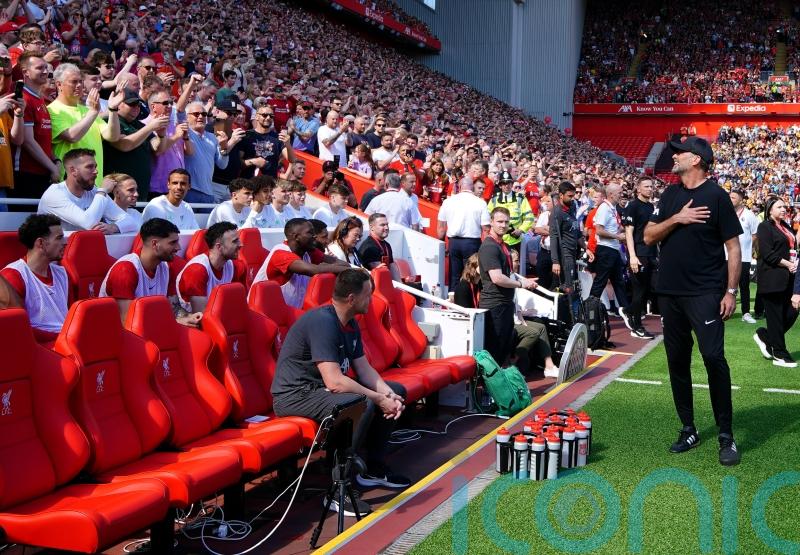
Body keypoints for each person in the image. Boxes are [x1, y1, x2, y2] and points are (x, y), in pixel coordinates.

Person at [271, 268, 410, 517]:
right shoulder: (323, 322)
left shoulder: (349, 322)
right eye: (369, 295)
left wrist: (389, 395)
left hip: (319, 390)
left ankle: (373, 469)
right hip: (295, 395)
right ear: (351, 298)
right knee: (361, 402)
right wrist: (377, 398)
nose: (373, 300)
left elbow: (364, 369)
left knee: (396, 390)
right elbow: (335, 382)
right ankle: (337, 489)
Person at [644, 136, 742, 466]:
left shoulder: (716, 196)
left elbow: (733, 248)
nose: (674, 156)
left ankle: (726, 435)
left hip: (705, 292)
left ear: (697, 160)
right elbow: (647, 235)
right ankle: (688, 428)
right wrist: (677, 219)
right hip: (670, 293)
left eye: (680, 152)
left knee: (714, 358)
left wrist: (730, 291)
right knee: (677, 361)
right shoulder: (671, 194)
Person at [454, 253, 559, 376]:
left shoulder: (483, 285)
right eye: (482, 266)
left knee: (538, 327)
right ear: (474, 267)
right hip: (478, 326)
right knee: (518, 331)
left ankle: (544, 364)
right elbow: (467, 312)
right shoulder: (464, 287)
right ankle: (508, 364)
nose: (486, 269)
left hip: (492, 322)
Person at [100, 217, 202, 328]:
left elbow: (173, 308)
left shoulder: (166, 267)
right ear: (155, 244)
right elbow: (128, 324)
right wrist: (174, 322)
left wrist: (188, 317)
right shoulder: (125, 270)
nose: (178, 247)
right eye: (173, 242)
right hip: (117, 336)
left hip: (150, 329)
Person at [478, 207, 537, 366]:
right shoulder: (490, 246)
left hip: (504, 304)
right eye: (499, 221)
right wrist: (521, 284)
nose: (503, 225)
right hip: (495, 305)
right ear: (491, 222)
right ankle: (490, 388)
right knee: (495, 351)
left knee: (503, 350)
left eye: (506, 222)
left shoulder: (501, 244)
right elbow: (497, 278)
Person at [49, 63, 124, 186]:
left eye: (80, 81)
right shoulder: (53, 110)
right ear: (59, 84)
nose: (79, 85)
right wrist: (94, 112)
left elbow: (112, 136)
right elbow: (72, 136)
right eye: (74, 82)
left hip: (94, 184)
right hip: (70, 185)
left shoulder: (87, 110)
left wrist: (113, 110)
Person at [251, 218, 349, 308]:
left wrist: (348, 269)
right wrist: (351, 270)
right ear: (296, 236)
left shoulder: (308, 250)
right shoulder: (281, 253)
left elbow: (340, 263)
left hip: (288, 312)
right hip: (264, 313)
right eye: (310, 233)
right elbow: (313, 270)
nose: (314, 236)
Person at [1, 214, 67, 344]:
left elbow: (69, 315)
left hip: (65, 342)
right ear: (41, 243)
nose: (65, 242)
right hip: (38, 347)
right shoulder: (13, 276)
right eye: (59, 238)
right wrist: (63, 337)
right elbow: (17, 328)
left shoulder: (61, 273)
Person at [37, 148, 137, 234]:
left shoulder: (94, 191)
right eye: (89, 167)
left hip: (78, 250)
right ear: (73, 170)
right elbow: (89, 224)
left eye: (95, 166)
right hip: (52, 254)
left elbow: (130, 221)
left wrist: (114, 227)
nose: (96, 171)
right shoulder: (55, 194)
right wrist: (102, 191)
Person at [753, 197, 798, 368]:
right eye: (779, 207)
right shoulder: (764, 227)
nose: (783, 209)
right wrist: (788, 264)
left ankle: (765, 335)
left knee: (792, 311)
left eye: (784, 207)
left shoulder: (786, 226)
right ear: (769, 210)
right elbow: (767, 253)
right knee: (775, 317)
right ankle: (779, 354)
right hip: (772, 278)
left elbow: (793, 248)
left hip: (788, 278)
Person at [176, 221, 247, 313]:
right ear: (219, 247)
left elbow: (239, 304)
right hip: (193, 322)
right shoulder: (197, 270)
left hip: (219, 316)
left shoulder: (235, 266)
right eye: (235, 241)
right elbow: (201, 315)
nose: (241, 244)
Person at [589, 182, 633, 329]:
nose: (622, 194)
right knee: (600, 282)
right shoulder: (604, 208)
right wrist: (617, 237)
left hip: (612, 250)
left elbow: (615, 226)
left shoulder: (612, 208)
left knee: (618, 282)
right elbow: (599, 231)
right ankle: (591, 313)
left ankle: (627, 312)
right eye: (620, 192)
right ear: (612, 194)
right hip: (606, 250)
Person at [437, 176, 490, 291]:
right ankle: (469, 303)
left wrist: (442, 245)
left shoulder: (448, 202)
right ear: (473, 187)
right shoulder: (480, 203)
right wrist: (485, 248)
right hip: (472, 243)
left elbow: (441, 228)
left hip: (454, 243)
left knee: (454, 275)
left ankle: (453, 301)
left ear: (460, 187)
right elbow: (486, 229)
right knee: (471, 275)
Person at [623, 177, 657, 339]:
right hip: (639, 253)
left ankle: (629, 311)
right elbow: (628, 232)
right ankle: (636, 327)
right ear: (638, 189)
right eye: (646, 186)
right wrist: (632, 256)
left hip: (650, 253)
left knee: (647, 291)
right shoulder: (632, 206)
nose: (650, 189)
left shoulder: (651, 207)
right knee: (639, 292)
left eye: (651, 186)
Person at [550, 181, 592, 298]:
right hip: (564, 253)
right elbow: (553, 237)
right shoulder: (556, 212)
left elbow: (576, 231)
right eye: (569, 196)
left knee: (571, 284)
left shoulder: (573, 206)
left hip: (574, 251)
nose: (572, 198)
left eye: (573, 195)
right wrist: (555, 262)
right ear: (561, 195)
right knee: (568, 286)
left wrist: (585, 248)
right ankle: (567, 313)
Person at [728, 189, 759, 324]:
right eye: (729, 197)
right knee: (723, 284)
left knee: (744, 286)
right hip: (726, 256)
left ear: (741, 200)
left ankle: (745, 313)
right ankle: (723, 310)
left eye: (733, 197)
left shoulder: (750, 215)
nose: (730, 199)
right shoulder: (726, 213)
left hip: (744, 257)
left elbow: (755, 235)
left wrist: (746, 248)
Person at [487, 170, 534, 252]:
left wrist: (521, 230)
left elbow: (529, 217)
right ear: (500, 185)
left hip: (515, 241)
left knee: (515, 263)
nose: (506, 186)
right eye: (504, 183)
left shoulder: (520, 198)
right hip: (498, 240)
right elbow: (488, 218)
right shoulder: (494, 199)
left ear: (512, 184)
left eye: (509, 183)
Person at [358, 213, 402, 281]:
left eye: (387, 224)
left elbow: (392, 268)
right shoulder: (369, 247)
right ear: (372, 227)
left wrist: (402, 288)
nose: (386, 228)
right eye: (382, 225)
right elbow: (380, 275)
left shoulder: (387, 245)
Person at [533, 192, 553, 290]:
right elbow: (537, 229)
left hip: (555, 253)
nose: (546, 204)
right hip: (544, 250)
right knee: (541, 278)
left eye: (549, 201)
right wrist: (551, 231)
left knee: (554, 280)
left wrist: (547, 229)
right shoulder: (544, 215)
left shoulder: (560, 216)